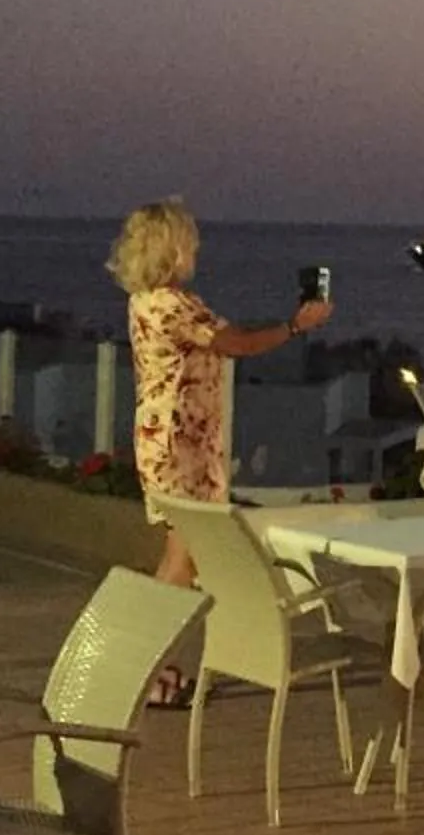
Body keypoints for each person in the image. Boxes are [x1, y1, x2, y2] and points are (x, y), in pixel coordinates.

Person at [110, 198, 333, 601]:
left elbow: (226, 334)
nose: (195, 251)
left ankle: (158, 654)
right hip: (182, 446)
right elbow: (239, 344)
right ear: (173, 249)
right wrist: (296, 326)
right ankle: (156, 656)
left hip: (162, 439)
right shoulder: (176, 305)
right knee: (187, 557)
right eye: (190, 244)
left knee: (179, 552)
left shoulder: (145, 300)